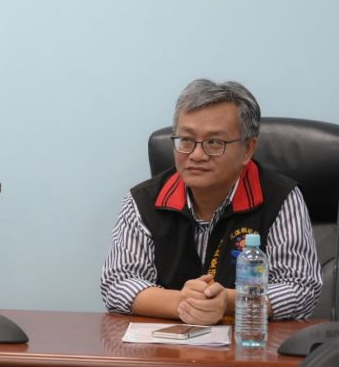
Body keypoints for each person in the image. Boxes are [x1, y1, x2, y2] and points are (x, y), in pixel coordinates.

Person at [101, 79, 321, 325]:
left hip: (249, 341)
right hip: (165, 344)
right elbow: (117, 282)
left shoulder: (279, 197)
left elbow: (301, 288)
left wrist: (228, 301)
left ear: (248, 149)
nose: (196, 155)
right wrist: (182, 302)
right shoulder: (144, 200)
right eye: (186, 140)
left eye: (214, 143)